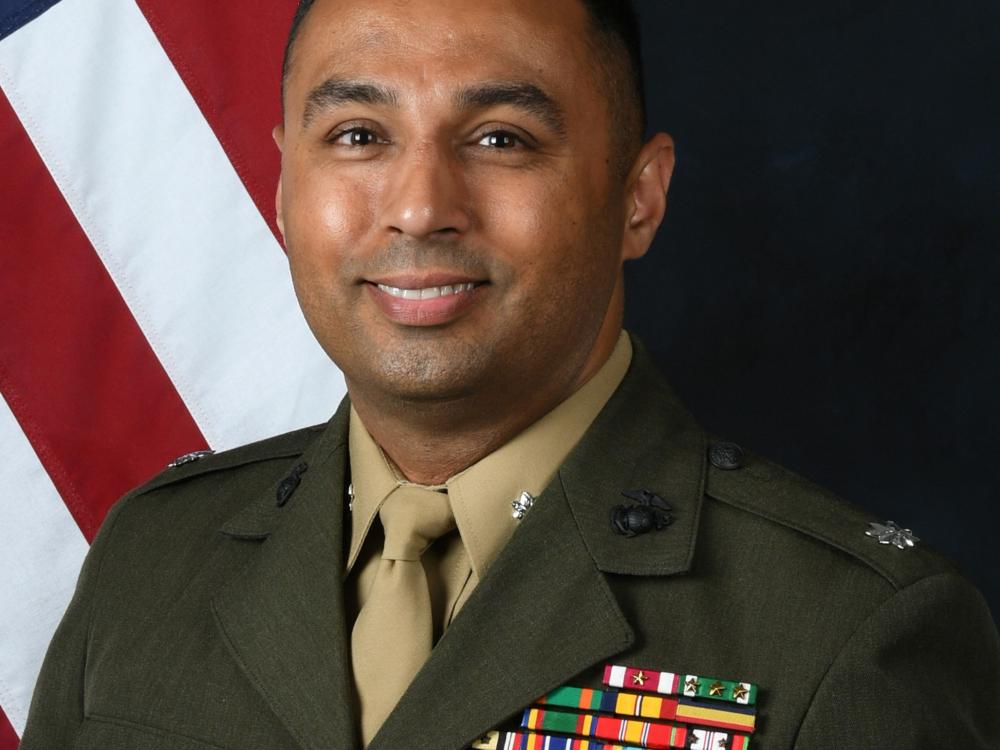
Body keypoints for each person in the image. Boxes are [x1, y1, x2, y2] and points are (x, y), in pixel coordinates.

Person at [19, 0, 1000, 748]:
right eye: (358, 136)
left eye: (500, 139)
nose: (417, 208)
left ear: (638, 197)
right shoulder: (151, 561)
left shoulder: (847, 629)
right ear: (281, 189)